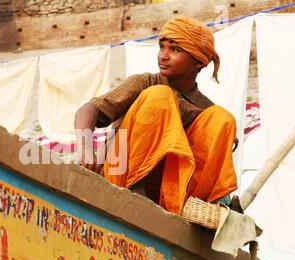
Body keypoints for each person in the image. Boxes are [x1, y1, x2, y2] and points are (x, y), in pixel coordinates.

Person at [74, 16, 238, 215]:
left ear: (199, 62)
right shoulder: (145, 83)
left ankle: (205, 205)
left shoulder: (205, 110)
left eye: (175, 49)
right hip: (119, 179)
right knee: (160, 95)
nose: (163, 55)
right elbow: (88, 110)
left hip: (171, 199)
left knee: (223, 119)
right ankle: (137, 188)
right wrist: (85, 148)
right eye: (162, 47)